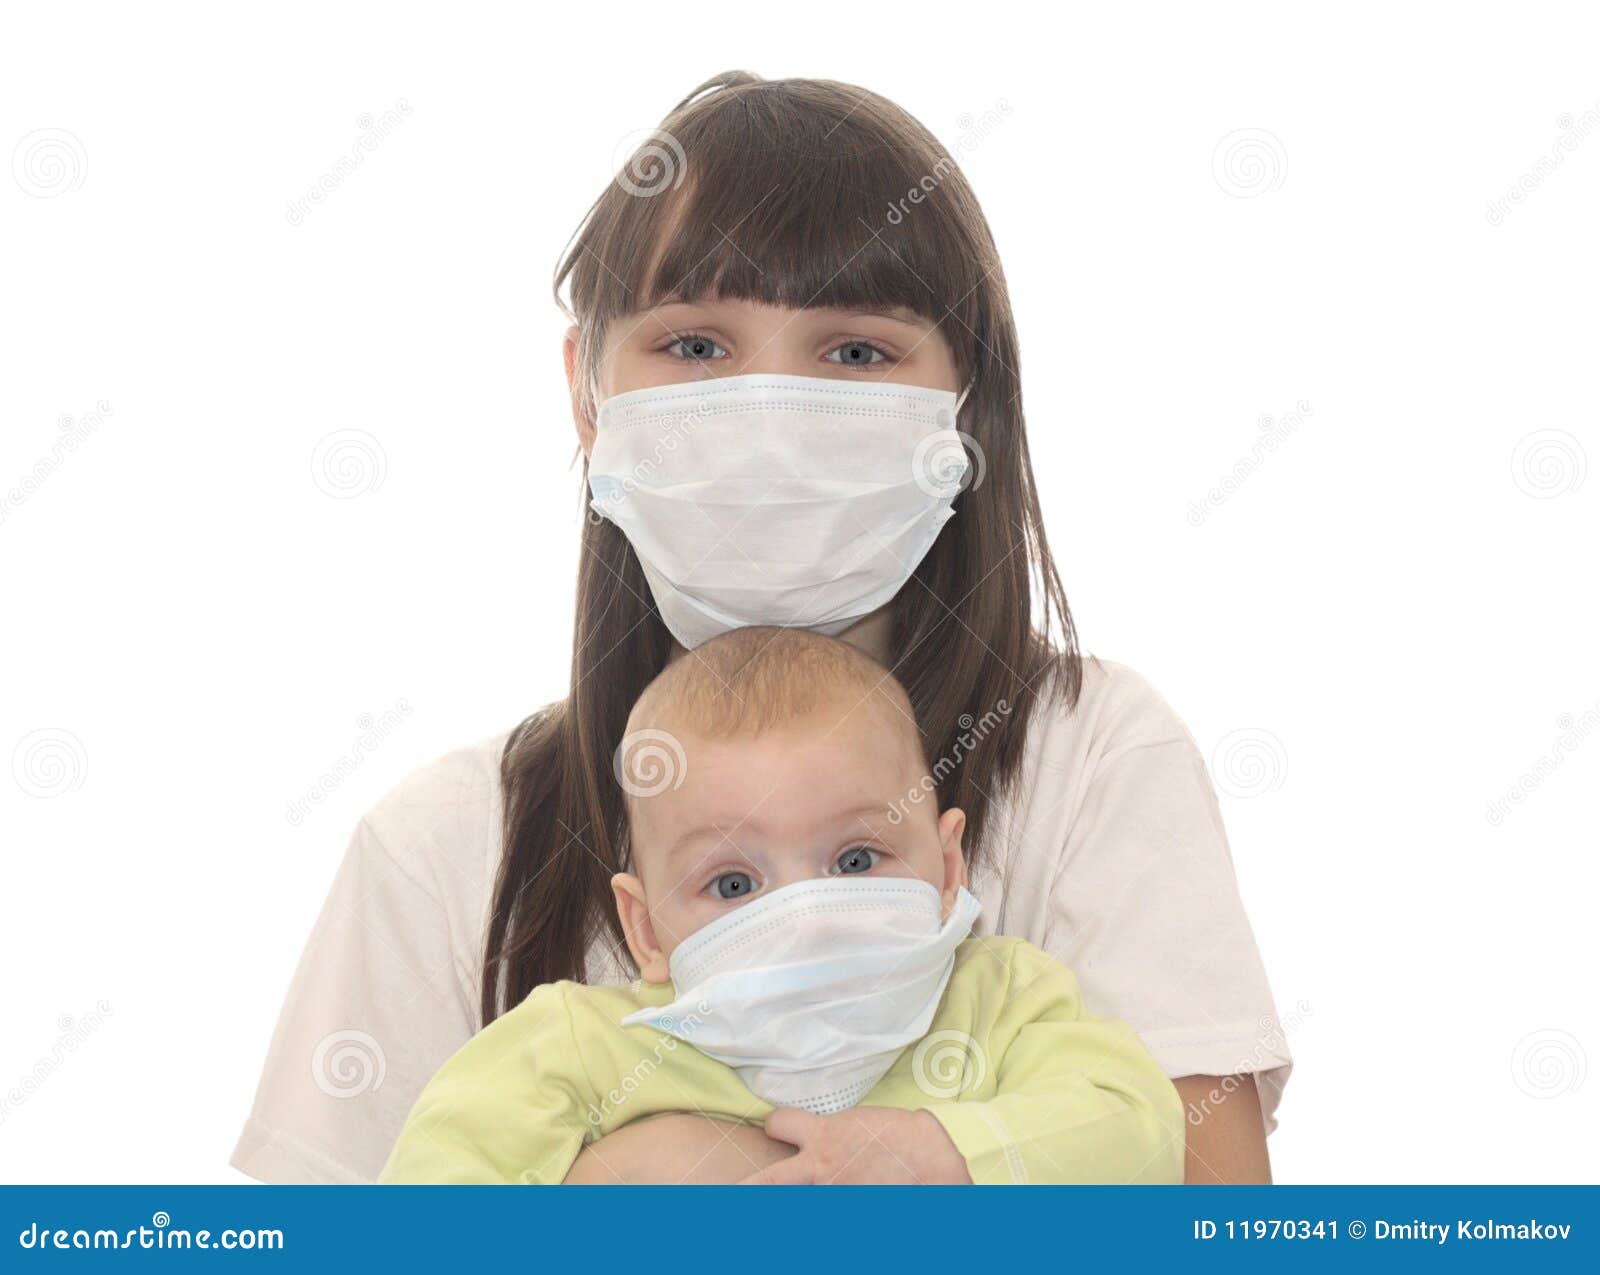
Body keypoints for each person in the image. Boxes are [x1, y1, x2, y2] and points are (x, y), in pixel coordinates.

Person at [232, 70, 1292, 1187]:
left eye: (853, 353)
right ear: (588, 398)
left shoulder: (1093, 758)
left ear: (965, 406)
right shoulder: (447, 845)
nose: (771, 420)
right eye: (694, 347)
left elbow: (1195, 1204)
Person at [378, 628, 1186, 1185]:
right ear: (645, 928)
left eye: (856, 859)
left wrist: (953, 1154)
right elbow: (436, 1189)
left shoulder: (1002, 1001)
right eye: (733, 885)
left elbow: (1140, 1136)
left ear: (947, 866)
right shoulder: (578, 1047)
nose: (808, 915)